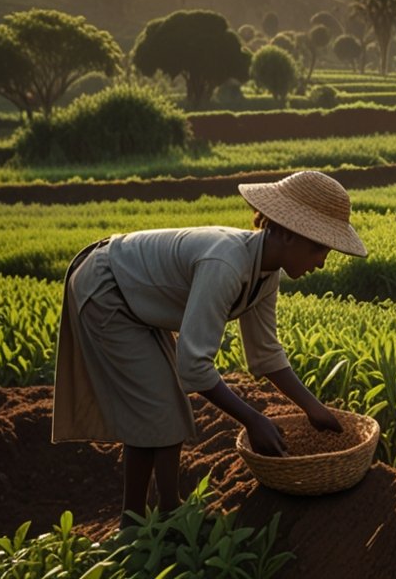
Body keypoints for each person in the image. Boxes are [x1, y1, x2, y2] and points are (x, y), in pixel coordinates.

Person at [51, 170, 367, 525]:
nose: (322, 261)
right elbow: (193, 365)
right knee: (160, 405)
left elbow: (264, 352)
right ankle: (141, 519)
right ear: (289, 234)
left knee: (163, 406)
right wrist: (252, 419)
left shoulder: (266, 273)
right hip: (107, 288)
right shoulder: (227, 264)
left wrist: (313, 408)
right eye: (318, 248)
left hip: (134, 297)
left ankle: (163, 512)